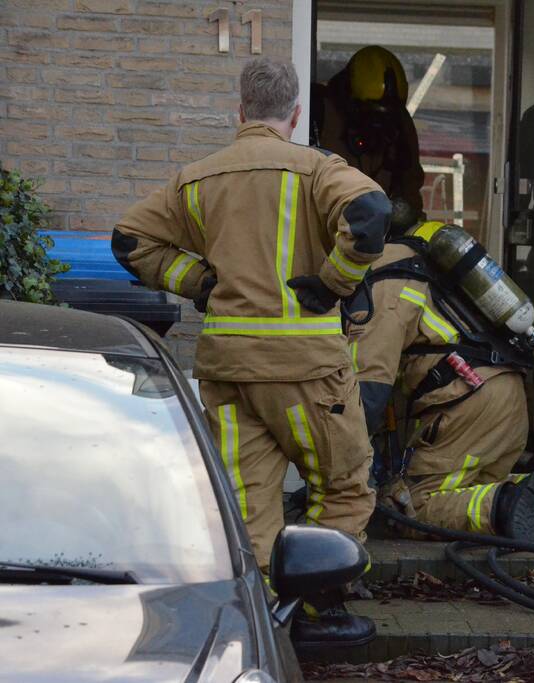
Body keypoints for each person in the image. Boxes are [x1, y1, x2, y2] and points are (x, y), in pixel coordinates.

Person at [112, 56, 389, 647]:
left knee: (245, 500)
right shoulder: (318, 169)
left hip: (227, 370)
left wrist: (199, 282)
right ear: (296, 114)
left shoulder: (196, 179)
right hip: (307, 371)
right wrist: (334, 283)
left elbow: (130, 240)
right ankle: (318, 609)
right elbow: (370, 214)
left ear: (239, 112)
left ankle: (260, 623)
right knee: (341, 486)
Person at [346, 220, 534, 541]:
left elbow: (366, 391)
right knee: (467, 492)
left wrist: (336, 469)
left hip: (466, 405)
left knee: (410, 508)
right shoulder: (427, 271)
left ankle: (504, 506)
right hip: (505, 395)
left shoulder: (383, 281)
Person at [313, 45, 425, 219]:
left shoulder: (400, 126)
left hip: (377, 230)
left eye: (386, 116)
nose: (378, 126)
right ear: (350, 101)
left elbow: (410, 191)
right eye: (371, 113)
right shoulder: (320, 113)